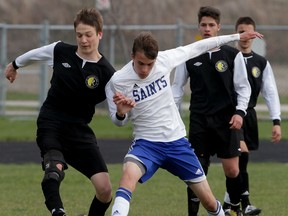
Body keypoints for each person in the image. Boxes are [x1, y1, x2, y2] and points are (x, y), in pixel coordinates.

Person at [105, 29, 262, 216]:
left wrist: (236, 37)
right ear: (132, 56)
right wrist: (122, 114)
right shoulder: (118, 80)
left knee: (210, 202)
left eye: (150, 64)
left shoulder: (165, 60)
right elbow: (118, 121)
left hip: (176, 143)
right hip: (146, 144)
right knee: (127, 179)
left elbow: (199, 46)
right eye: (140, 63)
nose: (145, 70)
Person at [4, 8, 115, 216]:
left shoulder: (107, 73)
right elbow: (35, 54)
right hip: (51, 123)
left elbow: (117, 116)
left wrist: (121, 113)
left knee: (105, 189)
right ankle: (58, 212)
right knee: (54, 170)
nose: (83, 40)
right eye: (79, 35)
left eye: (88, 35)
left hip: (79, 131)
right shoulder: (60, 51)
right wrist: (15, 64)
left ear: (100, 33)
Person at [171, 6, 253, 216]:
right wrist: (171, 112)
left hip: (227, 120)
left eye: (211, 25)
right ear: (198, 27)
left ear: (218, 28)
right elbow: (177, 88)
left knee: (233, 170)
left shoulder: (232, 55)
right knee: (196, 171)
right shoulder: (189, 54)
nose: (207, 29)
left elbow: (243, 87)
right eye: (203, 25)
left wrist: (240, 112)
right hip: (199, 120)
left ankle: (235, 210)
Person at [222, 16, 281, 216]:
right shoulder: (228, 57)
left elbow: (270, 92)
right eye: (240, 32)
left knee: (239, 162)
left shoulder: (260, 62)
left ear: (255, 35)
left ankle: (229, 201)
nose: (245, 36)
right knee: (242, 156)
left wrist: (276, 121)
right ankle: (244, 203)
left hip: (249, 116)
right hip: (231, 116)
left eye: (248, 32)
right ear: (235, 33)